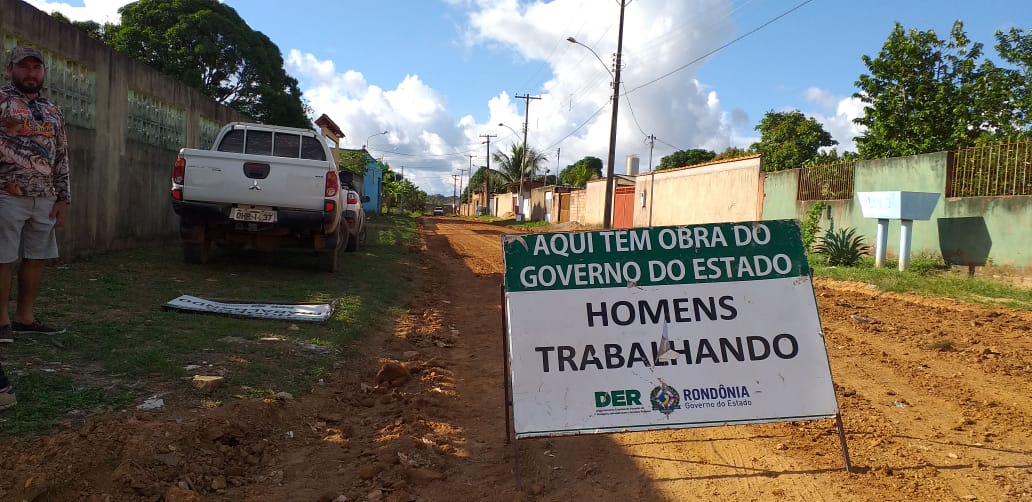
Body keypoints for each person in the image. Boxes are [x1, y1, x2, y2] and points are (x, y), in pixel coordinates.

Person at [1, 45, 72, 410]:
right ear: (10, 68)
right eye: (24, 67)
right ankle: (1, 324)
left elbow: (61, 155)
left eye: (36, 68)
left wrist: (63, 198)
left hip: (44, 196)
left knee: (36, 257)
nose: (31, 73)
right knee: (2, 258)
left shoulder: (53, 112)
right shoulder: (1, 101)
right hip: (6, 193)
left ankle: (25, 318)